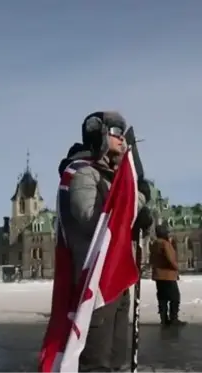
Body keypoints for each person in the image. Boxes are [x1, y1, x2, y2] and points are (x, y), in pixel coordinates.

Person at [57, 111, 153, 373]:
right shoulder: (84, 174)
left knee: (117, 359)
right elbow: (91, 219)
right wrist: (135, 201)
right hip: (95, 284)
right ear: (99, 136)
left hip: (117, 279)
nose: (122, 139)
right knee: (96, 362)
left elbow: (122, 224)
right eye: (115, 133)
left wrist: (141, 215)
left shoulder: (115, 178)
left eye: (123, 134)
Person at [149, 224, 187, 327]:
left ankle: (164, 319)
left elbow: (151, 259)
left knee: (162, 298)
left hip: (158, 276)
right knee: (175, 297)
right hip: (168, 276)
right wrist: (176, 268)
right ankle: (174, 319)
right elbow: (170, 259)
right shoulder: (165, 244)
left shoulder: (154, 244)